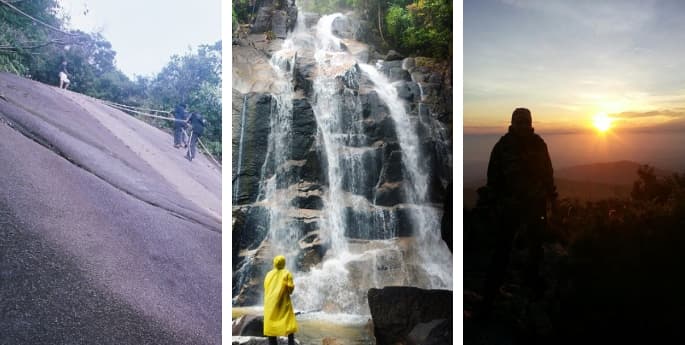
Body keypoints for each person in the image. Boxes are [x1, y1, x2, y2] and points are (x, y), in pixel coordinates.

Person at [479, 107, 557, 319]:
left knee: (535, 250)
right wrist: (495, 204)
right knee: (502, 254)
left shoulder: (539, 144)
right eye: (519, 122)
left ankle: (530, 296)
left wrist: (552, 199)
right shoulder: (503, 147)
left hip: (535, 208)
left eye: (525, 122)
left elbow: (548, 174)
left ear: (530, 123)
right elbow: (493, 179)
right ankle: (489, 301)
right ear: (513, 123)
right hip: (509, 209)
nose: (523, 126)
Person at [263, 255, 298, 345]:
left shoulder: (268, 274)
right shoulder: (286, 273)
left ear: (274, 263)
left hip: (270, 303)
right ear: (284, 263)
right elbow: (290, 289)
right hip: (283, 302)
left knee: (271, 324)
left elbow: (265, 287)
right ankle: (291, 343)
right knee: (289, 323)